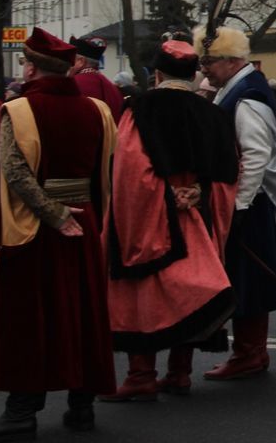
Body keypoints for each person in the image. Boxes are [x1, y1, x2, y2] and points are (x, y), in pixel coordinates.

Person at [0, 28, 118, 439]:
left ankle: (21, 410)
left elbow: (14, 171)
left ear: (30, 67)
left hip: (37, 226)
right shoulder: (98, 109)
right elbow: (106, 169)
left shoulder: (19, 110)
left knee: (34, 317)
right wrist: (86, 215)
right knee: (83, 310)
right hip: (84, 219)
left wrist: (51, 212)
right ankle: (81, 405)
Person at [101, 40, 239, 401]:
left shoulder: (139, 110)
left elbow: (130, 172)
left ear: (157, 74)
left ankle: (141, 375)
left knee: (142, 292)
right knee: (190, 294)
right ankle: (179, 373)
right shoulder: (214, 114)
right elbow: (228, 174)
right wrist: (199, 193)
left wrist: (164, 197)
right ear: (194, 74)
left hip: (154, 217)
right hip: (197, 216)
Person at [194, 24, 276, 380]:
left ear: (232, 61)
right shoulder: (237, 88)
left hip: (248, 203)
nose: (204, 68)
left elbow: (255, 156)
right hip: (245, 201)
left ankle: (249, 354)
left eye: (210, 61)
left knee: (247, 281)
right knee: (244, 279)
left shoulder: (247, 95)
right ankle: (249, 352)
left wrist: (239, 206)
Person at [69, 34, 125, 118]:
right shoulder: (112, 87)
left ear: (80, 61)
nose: (67, 63)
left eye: (70, 58)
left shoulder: (73, 85)